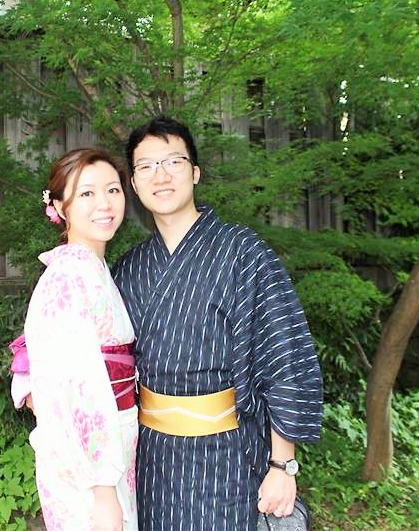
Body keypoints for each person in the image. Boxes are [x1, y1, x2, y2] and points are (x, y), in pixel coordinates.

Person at [112, 116, 323, 530]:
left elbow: (283, 356)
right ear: (134, 184)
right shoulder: (130, 268)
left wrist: (283, 464)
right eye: (146, 166)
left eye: (173, 162)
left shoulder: (243, 252)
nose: (161, 176)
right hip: (152, 458)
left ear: (195, 172)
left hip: (227, 455)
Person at [11, 148, 139, 531]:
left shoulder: (94, 269)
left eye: (113, 190)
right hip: (88, 467)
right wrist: (103, 490)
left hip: (114, 443)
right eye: (87, 193)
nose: (104, 204)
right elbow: (79, 388)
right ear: (59, 207)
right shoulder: (67, 277)